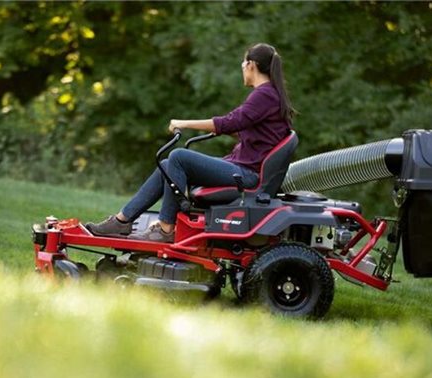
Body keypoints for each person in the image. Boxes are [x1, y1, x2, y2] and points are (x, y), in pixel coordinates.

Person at [87, 43, 295, 243]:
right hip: (242, 169)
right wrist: (230, 132)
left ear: (251, 65)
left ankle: (166, 228)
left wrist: (183, 123)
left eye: (243, 64)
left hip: (247, 176)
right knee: (168, 165)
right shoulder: (269, 95)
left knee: (178, 156)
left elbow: (229, 122)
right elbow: (253, 133)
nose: (242, 68)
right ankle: (121, 221)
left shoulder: (264, 95)